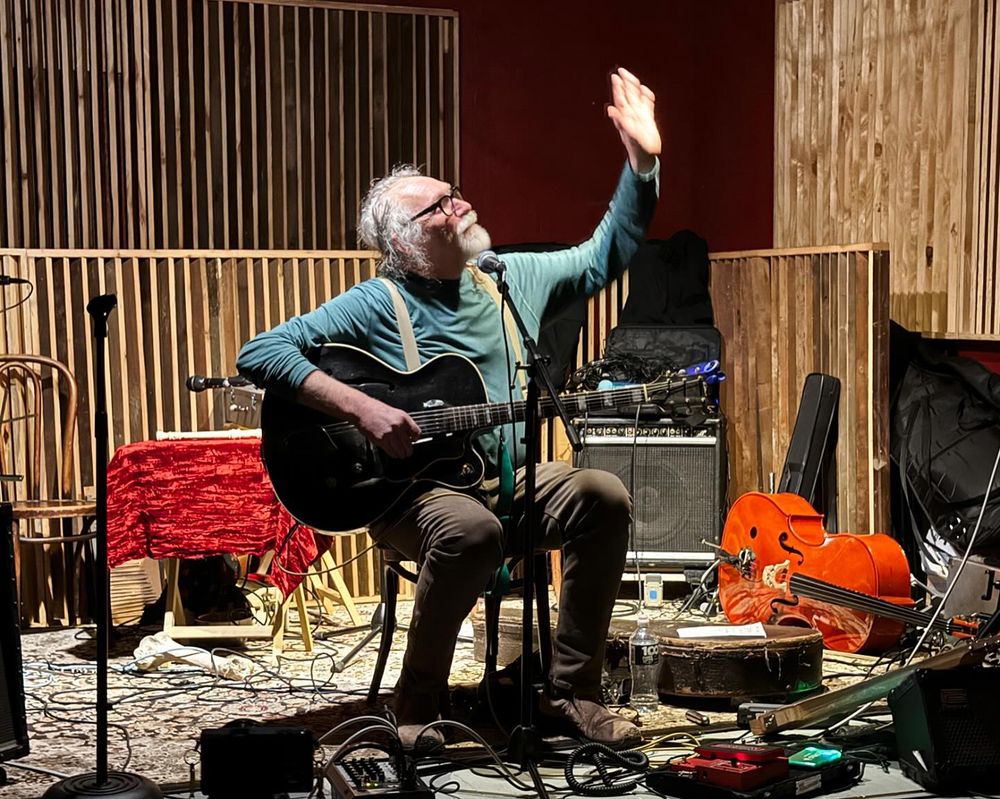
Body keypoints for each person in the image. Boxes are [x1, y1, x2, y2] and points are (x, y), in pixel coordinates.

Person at [237, 67, 661, 750]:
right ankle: (415, 709)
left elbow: (600, 255)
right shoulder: (378, 302)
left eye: (456, 194)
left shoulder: (506, 277)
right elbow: (262, 351)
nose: (459, 205)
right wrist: (362, 409)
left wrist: (641, 164)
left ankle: (571, 693)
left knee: (602, 495)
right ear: (402, 241)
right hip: (412, 494)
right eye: (438, 205)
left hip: (508, 478)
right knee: (470, 531)